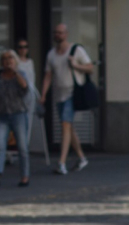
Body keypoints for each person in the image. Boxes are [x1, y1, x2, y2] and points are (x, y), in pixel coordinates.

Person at [41, 23, 93, 175]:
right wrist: (43, 94)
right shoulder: (51, 54)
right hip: (59, 95)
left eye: (61, 32)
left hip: (73, 93)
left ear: (66, 34)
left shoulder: (76, 50)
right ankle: (82, 158)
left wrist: (75, 65)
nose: (58, 35)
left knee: (65, 125)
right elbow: (48, 76)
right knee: (69, 127)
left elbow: (90, 67)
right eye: (56, 32)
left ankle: (61, 162)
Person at [0, 50, 31, 189]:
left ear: (15, 60)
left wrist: (15, 72)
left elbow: (25, 87)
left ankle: (25, 176)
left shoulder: (20, 74)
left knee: (22, 147)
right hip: (2, 115)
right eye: (4, 58)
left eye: (10, 58)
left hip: (18, 114)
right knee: (0, 145)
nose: (7, 61)